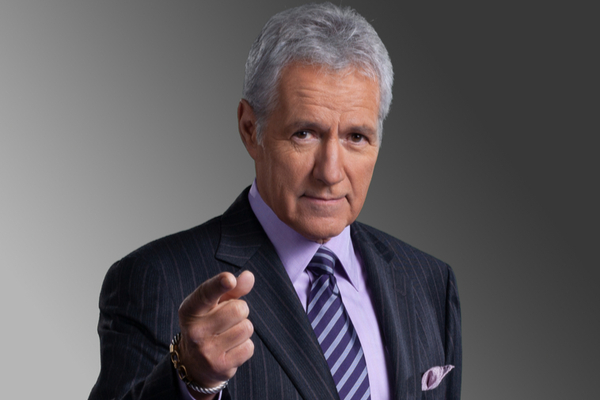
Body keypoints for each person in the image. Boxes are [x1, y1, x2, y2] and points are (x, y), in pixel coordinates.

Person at [89, 3, 461, 400]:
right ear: (251, 129)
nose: (330, 172)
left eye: (356, 137)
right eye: (305, 133)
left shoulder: (429, 282)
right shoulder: (158, 280)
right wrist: (191, 381)